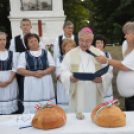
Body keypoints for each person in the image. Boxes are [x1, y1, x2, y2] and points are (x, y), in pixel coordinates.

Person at [60, 27, 113, 113]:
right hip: (78, 93)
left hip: (94, 93)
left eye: (87, 41)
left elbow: (109, 71)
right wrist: (70, 77)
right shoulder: (71, 54)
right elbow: (63, 71)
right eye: (81, 40)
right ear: (78, 40)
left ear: (92, 40)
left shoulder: (99, 53)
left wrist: (102, 79)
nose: (84, 43)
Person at [95, 21, 134, 111]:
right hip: (130, 97)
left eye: (127, 34)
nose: (125, 36)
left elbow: (123, 66)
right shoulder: (127, 45)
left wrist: (107, 60)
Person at [17, 33, 56, 114]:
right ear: (27, 44)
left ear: (38, 41)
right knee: (32, 106)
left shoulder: (46, 53)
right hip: (30, 83)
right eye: (31, 41)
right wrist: (34, 73)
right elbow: (20, 70)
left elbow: (52, 66)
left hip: (45, 82)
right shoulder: (23, 54)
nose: (34, 42)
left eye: (35, 40)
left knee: (46, 107)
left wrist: (44, 72)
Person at [0, 32, 18, 114]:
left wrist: (10, 80)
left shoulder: (12, 54)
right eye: (0, 40)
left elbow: (14, 68)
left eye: (4, 39)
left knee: (10, 98)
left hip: (10, 79)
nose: (2, 42)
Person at [56, 39, 76, 113]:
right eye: (68, 46)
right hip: (63, 85)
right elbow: (58, 74)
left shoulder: (77, 59)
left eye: (72, 46)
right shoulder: (59, 59)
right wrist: (67, 81)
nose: (70, 48)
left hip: (75, 84)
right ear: (64, 47)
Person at [92, 34, 113, 102]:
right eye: (98, 43)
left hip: (105, 80)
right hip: (95, 82)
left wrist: (103, 78)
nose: (100, 44)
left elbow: (110, 68)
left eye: (101, 42)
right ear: (94, 44)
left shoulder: (107, 55)